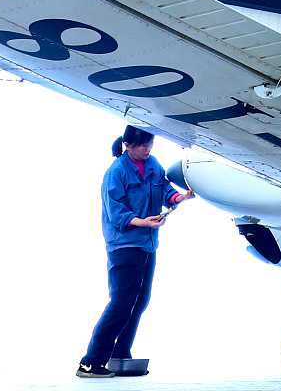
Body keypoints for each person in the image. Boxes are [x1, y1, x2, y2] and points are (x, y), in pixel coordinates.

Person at [77, 126, 192, 378]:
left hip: (148, 245)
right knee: (121, 303)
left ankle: (120, 355)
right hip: (124, 246)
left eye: (150, 144)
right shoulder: (116, 172)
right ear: (128, 145)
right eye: (142, 145)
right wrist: (143, 222)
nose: (147, 149)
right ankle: (90, 362)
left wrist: (179, 198)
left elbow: (163, 189)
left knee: (139, 302)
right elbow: (115, 211)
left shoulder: (153, 164)